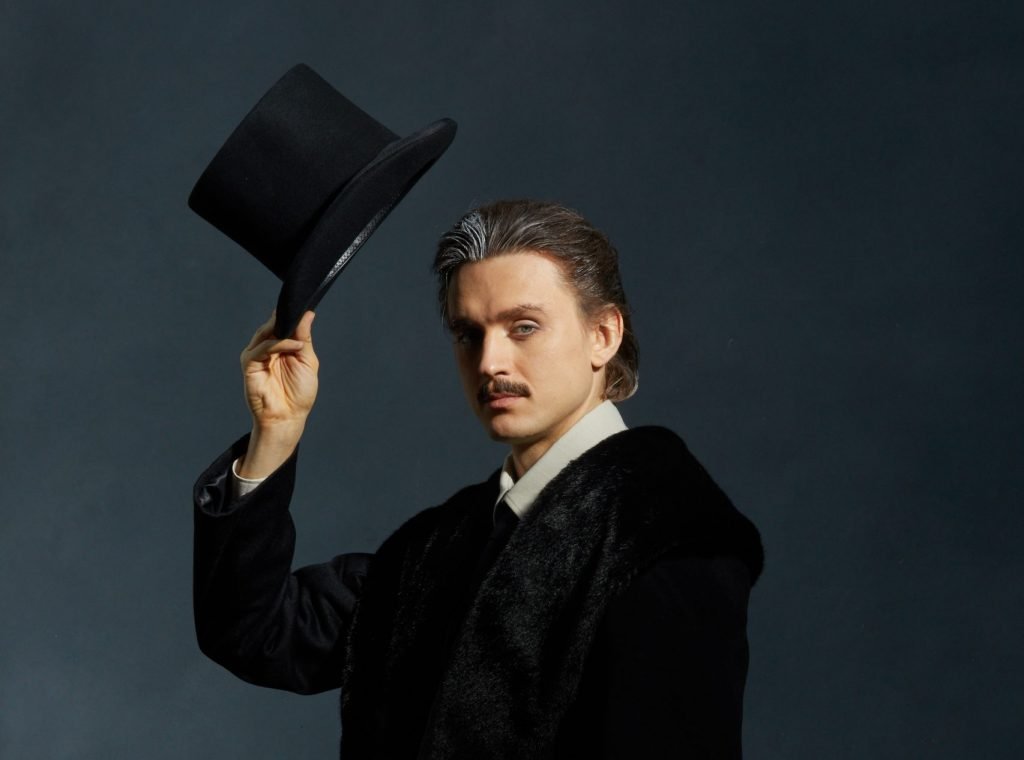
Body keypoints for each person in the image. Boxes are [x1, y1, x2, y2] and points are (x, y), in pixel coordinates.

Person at [193, 199, 764, 758]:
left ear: (604, 334)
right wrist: (276, 433)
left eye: (524, 327)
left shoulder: (670, 535)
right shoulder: (441, 543)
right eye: (468, 334)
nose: (490, 362)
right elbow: (256, 633)